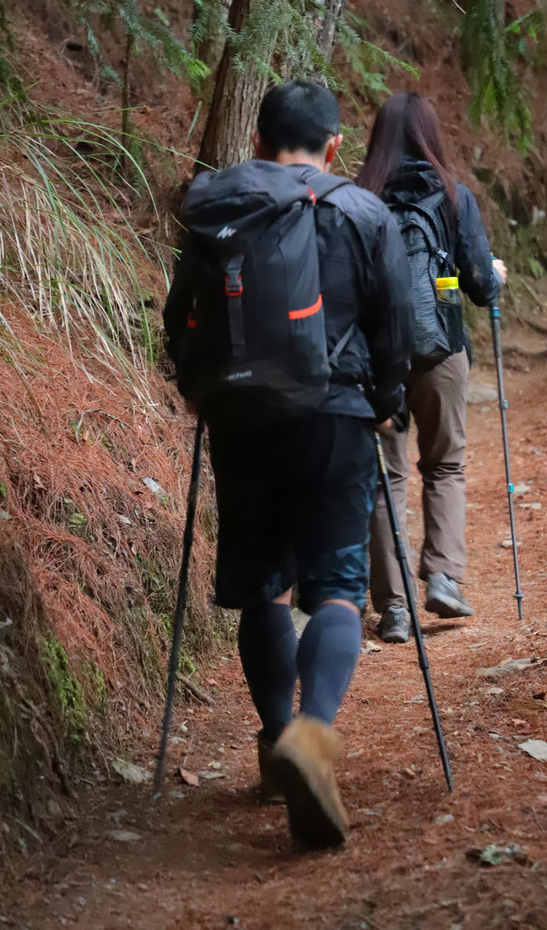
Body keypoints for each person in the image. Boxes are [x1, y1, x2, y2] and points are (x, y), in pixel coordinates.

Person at [163, 81, 414, 847]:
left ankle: (277, 742)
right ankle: (313, 732)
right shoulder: (362, 211)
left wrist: (205, 394)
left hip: (243, 422)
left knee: (265, 591)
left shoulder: (217, 208)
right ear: (334, 145)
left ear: (260, 140)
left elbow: (182, 322)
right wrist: (388, 395)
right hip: (335, 420)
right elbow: (395, 321)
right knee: (337, 589)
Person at [357, 92, 507, 645]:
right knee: (445, 465)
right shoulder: (452, 197)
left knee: (385, 479)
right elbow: (476, 282)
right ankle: (443, 576)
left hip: (377, 362)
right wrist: (495, 275)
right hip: (441, 351)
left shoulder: (358, 198)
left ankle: (393, 607)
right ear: (430, 136)